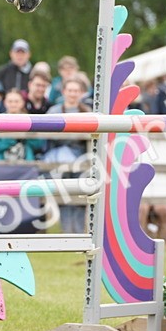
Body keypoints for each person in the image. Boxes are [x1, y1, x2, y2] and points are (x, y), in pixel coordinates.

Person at [46, 77, 91, 233]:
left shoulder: (88, 112)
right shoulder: (54, 111)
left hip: (81, 159)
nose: (73, 94)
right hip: (58, 158)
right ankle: (67, 231)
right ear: (64, 92)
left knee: (79, 195)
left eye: (76, 91)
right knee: (63, 194)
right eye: (70, 90)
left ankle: (78, 232)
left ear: (82, 93)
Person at [0, 90, 46, 162]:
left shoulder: (29, 120)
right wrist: (10, 140)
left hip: (25, 162)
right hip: (1, 164)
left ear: (22, 103)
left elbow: (38, 144)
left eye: (16, 101)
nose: (13, 104)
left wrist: (25, 135)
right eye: (10, 101)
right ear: (5, 102)